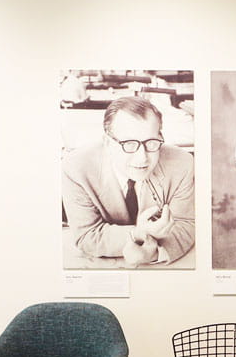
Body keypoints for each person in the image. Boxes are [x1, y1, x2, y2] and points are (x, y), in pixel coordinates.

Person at [62, 96, 194, 268]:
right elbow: (87, 235)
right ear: (108, 143)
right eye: (129, 144)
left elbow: (186, 225)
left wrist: (153, 254)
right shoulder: (76, 168)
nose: (142, 158)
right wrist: (137, 234)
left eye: (151, 142)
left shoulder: (183, 163)